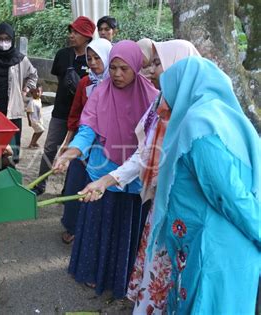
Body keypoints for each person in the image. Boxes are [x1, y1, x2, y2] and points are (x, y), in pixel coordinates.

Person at [79, 39, 201, 313]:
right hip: (159, 203)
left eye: (158, 63)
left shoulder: (197, 114)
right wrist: (104, 178)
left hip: (184, 212)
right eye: (152, 63)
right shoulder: (162, 105)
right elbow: (146, 154)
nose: (152, 70)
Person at [54, 40, 159, 298]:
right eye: (113, 68)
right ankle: (92, 273)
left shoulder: (154, 98)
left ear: (136, 67)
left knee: (125, 227)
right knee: (99, 225)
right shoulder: (101, 92)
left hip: (135, 175)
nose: (117, 74)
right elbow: (87, 129)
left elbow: (148, 147)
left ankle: (121, 278)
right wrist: (71, 152)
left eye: (124, 69)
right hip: (102, 169)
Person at [155, 56, 258, 314]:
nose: (162, 103)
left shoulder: (199, 124)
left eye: (166, 91)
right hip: (220, 246)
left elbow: (229, 195)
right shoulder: (224, 117)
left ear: (185, 86)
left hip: (215, 252)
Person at [32, 16, 96, 195]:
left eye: (76, 32)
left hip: (84, 115)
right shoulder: (62, 55)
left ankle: (68, 189)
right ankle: (40, 185)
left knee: (75, 151)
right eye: (71, 31)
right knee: (50, 147)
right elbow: (60, 82)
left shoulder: (92, 59)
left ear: (87, 36)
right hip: (60, 111)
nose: (72, 35)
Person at [58, 38, 113, 244]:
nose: (92, 63)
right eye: (89, 58)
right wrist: (68, 142)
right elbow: (76, 114)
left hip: (106, 147)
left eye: (97, 58)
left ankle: (90, 232)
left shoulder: (116, 85)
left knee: (96, 189)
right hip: (83, 142)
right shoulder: (85, 82)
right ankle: (71, 226)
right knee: (75, 185)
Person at [0, 22, 38, 164]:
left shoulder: (20, 59)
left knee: (11, 150)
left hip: (12, 108)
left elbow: (33, 75)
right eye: (0, 38)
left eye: (7, 39)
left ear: (12, 39)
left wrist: (26, 89)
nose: (4, 42)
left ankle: (10, 174)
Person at [25, 83, 44, 149]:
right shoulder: (32, 102)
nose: (37, 93)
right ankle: (33, 142)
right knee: (41, 130)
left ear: (41, 92)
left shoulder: (39, 100)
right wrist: (29, 121)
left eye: (38, 91)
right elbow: (28, 112)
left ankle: (31, 143)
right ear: (32, 93)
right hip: (34, 120)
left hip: (39, 120)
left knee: (36, 132)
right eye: (35, 92)